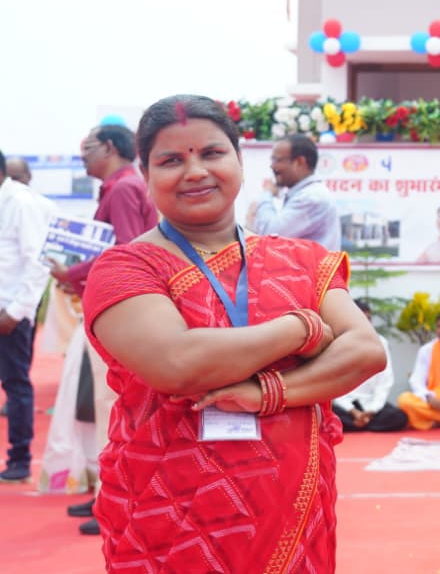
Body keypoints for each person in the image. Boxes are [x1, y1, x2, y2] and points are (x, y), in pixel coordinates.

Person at [82, 94, 386, 570]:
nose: (195, 171)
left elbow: (365, 351)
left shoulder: (302, 260)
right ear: (145, 174)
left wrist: (266, 393)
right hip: (170, 514)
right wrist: (302, 328)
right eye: (171, 160)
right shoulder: (126, 269)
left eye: (212, 153)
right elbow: (178, 363)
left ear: (240, 161)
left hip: (291, 511)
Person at [46, 123, 159, 535]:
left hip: (118, 310)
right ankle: (106, 494)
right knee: (104, 404)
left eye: (87, 147)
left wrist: (72, 273)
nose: (82, 155)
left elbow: (126, 252)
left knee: (110, 404)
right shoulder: (122, 186)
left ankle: (115, 500)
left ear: (109, 147)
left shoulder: (124, 188)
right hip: (113, 307)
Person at [0, 149, 52, 483]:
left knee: (15, 384)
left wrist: (16, 312)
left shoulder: (21, 202)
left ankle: (19, 459)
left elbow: (38, 261)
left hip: (9, 312)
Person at [246, 134, 342, 249]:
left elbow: (270, 235)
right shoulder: (306, 193)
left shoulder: (310, 198)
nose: (272, 166)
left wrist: (267, 194)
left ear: (300, 162)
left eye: (278, 160)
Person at [332, 298, 408, 432]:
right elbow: (333, 384)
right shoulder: (337, 342)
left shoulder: (380, 342)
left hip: (372, 405)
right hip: (345, 406)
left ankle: (359, 424)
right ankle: (362, 423)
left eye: (368, 319)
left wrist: (371, 410)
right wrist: (353, 411)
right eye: (362, 319)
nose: (366, 324)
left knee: (399, 417)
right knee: (328, 415)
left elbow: (385, 381)